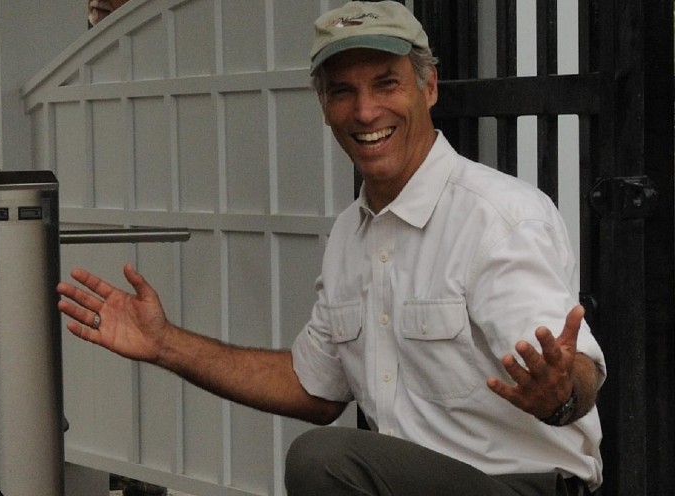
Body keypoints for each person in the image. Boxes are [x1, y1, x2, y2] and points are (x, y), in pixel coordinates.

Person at [55, 2, 605, 495]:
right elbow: (313, 389)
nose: (365, 112)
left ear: (429, 88)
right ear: (323, 105)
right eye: (343, 91)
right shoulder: (350, 234)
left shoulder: (498, 217)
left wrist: (559, 394)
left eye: (386, 84)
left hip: (518, 488)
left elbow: (580, 371)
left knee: (322, 461)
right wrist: (165, 343)